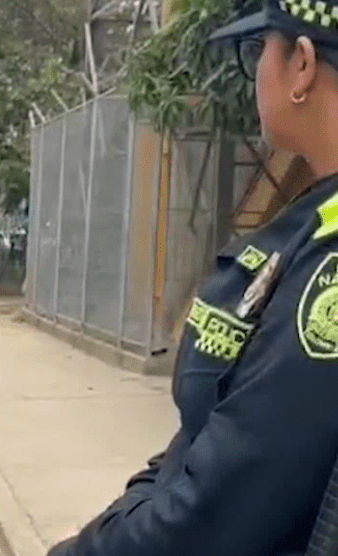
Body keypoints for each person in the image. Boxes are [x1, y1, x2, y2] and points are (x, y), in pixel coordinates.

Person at [46, 2, 338, 555]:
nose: (254, 74)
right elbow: (203, 442)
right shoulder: (311, 219)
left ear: (301, 64)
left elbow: (233, 494)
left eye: (258, 52)